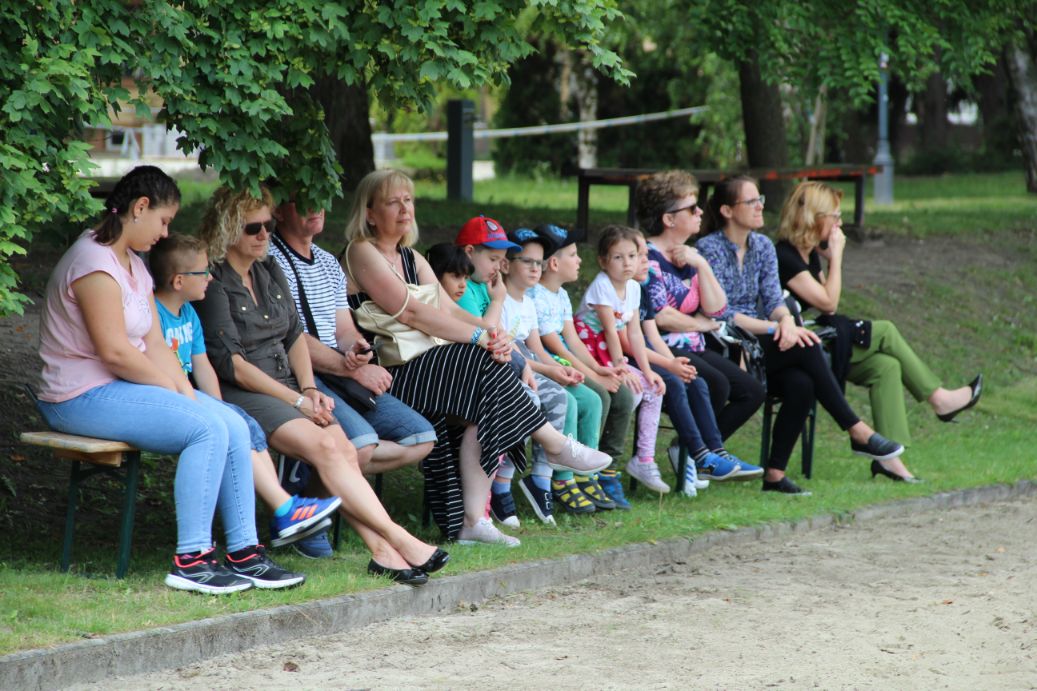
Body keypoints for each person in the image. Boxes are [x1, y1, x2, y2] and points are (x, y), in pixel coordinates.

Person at [35, 165, 300, 594]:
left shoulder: (135, 266)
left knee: (231, 422)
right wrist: (179, 394)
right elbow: (115, 352)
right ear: (140, 208)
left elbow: (156, 345)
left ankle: (244, 553)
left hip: (122, 388)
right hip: (78, 396)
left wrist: (184, 390)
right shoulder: (93, 263)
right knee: (205, 428)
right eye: (163, 221)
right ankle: (191, 560)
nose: (165, 233)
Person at [342, 169, 611, 543]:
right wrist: (479, 338)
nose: (405, 209)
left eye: (408, 200)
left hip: (429, 366)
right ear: (370, 213)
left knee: (488, 398)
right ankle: (553, 444)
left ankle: (474, 521)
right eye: (393, 202)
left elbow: (449, 310)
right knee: (485, 360)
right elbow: (411, 313)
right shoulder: (361, 251)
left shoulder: (411, 257)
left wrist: (494, 336)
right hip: (391, 373)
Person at [195, 185, 446, 586]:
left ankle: (382, 552)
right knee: (330, 447)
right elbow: (234, 366)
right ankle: (399, 537)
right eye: (253, 228)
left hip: (287, 382)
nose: (264, 235)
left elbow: (294, 335)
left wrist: (310, 389)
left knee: (343, 449)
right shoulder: (215, 280)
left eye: (267, 225)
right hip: (246, 390)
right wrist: (298, 399)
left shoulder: (267, 268)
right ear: (228, 228)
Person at [697, 176, 910, 494]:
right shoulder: (708, 248)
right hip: (722, 342)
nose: (759, 207)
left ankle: (775, 474)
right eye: (751, 202)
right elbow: (720, 313)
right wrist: (778, 327)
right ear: (727, 211)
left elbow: (774, 300)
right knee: (807, 345)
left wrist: (785, 320)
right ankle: (857, 430)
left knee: (802, 382)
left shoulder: (762, 246)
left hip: (757, 343)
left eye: (760, 200)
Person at [775, 181, 982, 480]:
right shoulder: (785, 256)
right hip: (792, 349)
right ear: (815, 218)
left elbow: (827, 306)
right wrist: (837, 258)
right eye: (835, 216)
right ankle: (939, 399)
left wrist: (830, 261)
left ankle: (889, 460)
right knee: (884, 330)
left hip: (814, 342)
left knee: (885, 367)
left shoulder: (807, 253)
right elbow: (829, 302)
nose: (839, 224)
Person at [149, 233, 342, 549]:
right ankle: (283, 510)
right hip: (167, 399)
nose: (211, 277)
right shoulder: (154, 314)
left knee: (244, 426)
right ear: (179, 281)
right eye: (203, 272)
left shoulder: (189, 315)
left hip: (192, 399)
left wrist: (222, 408)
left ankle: (279, 514)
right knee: (232, 429)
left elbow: (203, 367)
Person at [269, 196, 437, 478]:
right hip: (296, 373)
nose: (315, 206)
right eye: (302, 199)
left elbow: (343, 330)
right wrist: (353, 370)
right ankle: (311, 490)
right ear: (278, 210)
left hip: (337, 372)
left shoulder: (326, 261)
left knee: (421, 439)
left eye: (319, 196)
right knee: (361, 447)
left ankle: (311, 467)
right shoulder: (269, 261)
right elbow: (291, 339)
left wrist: (356, 349)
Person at [635, 170, 765, 484]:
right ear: (669, 219)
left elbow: (717, 309)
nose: (700, 214)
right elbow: (661, 316)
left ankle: (690, 450)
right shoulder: (647, 258)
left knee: (752, 391)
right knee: (716, 383)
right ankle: (705, 454)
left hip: (694, 344)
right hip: (663, 347)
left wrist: (701, 265)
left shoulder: (689, 255)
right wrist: (700, 324)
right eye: (692, 208)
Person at [628, 234, 758, 496]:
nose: (645, 261)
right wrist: (668, 364)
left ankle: (715, 451)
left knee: (696, 383)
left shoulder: (637, 290)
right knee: (678, 383)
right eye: (636, 256)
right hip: (627, 360)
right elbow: (629, 342)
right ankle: (701, 456)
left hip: (650, 354)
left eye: (643, 255)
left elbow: (651, 336)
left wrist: (672, 362)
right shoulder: (611, 292)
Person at [528, 223, 638, 510]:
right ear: (554, 263)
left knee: (621, 395)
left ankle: (594, 471)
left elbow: (574, 342)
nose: (579, 260)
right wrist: (593, 376)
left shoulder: (562, 295)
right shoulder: (536, 295)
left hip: (564, 360)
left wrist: (599, 370)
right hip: (548, 364)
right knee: (598, 396)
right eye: (573, 255)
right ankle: (571, 473)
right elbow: (557, 347)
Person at [501, 228, 604, 521]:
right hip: (511, 365)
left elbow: (537, 350)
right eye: (527, 261)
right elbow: (516, 353)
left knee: (589, 399)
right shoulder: (501, 301)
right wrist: (550, 371)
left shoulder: (527, 302)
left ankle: (559, 476)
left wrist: (559, 369)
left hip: (532, 363)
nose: (536, 268)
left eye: (539, 262)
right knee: (559, 399)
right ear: (506, 265)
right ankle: (528, 480)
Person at [572, 226, 668, 493]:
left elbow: (634, 333)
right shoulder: (602, 286)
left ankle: (642, 460)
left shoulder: (634, 287)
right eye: (618, 257)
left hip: (608, 349)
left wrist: (646, 370)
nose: (627, 263)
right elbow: (610, 332)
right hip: (589, 347)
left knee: (651, 388)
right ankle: (599, 464)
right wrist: (620, 368)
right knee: (626, 394)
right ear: (603, 261)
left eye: (632, 256)